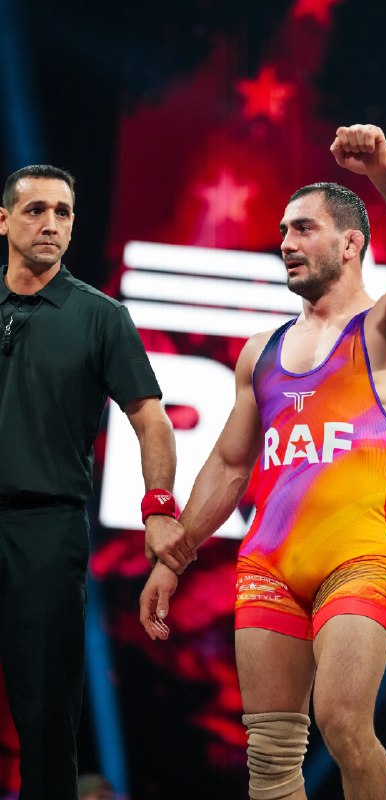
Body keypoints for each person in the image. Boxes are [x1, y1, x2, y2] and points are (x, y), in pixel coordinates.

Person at [139, 124, 386, 799]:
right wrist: (174, 558)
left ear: (350, 243)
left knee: (344, 725)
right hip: (268, 566)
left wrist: (384, 170)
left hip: (353, 559)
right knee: (272, 758)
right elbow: (230, 466)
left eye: (304, 229)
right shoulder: (262, 351)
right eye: (283, 230)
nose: (285, 242)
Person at [0, 164, 193, 800]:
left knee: (45, 716)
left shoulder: (101, 316)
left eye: (63, 212)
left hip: (45, 531)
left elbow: (152, 421)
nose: (51, 223)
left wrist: (159, 507)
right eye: (35, 210)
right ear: (4, 220)